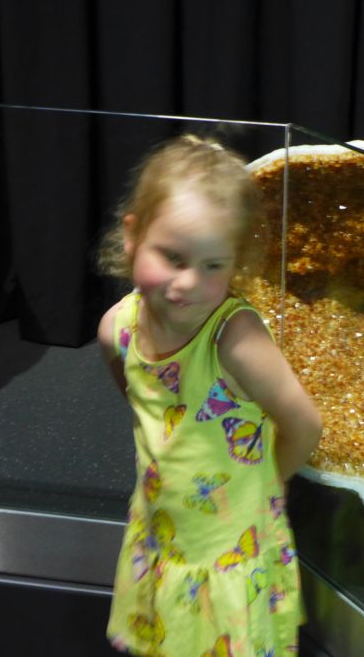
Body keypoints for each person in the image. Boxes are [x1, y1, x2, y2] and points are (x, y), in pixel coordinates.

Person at [97, 135, 323, 656]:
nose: (188, 283)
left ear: (235, 263)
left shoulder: (236, 342)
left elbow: (304, 426)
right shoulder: (117, 329)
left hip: (226, 549)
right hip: (162, 528)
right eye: (173, 256)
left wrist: (267, 484)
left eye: (212, 265)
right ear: (132, 236)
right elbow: (142, 402)